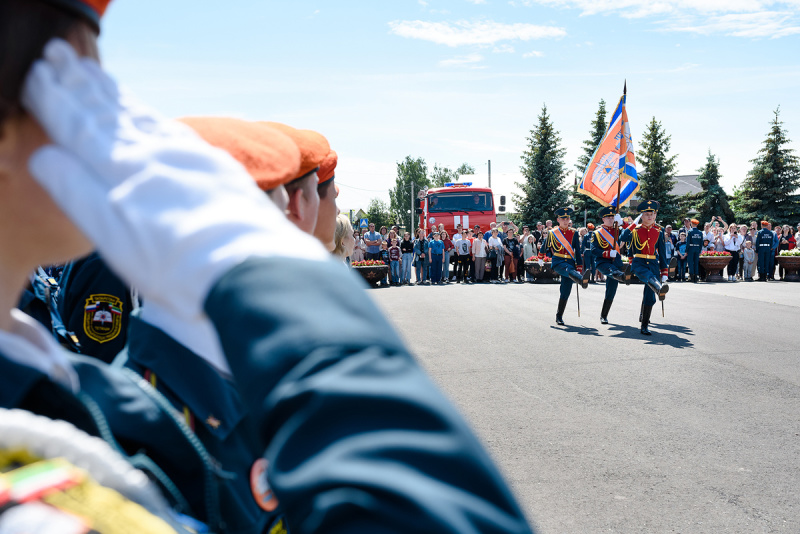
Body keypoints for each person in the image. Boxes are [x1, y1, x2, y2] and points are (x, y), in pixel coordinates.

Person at [9, 9, 536, 534]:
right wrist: (260, 265)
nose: (111, 120)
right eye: (79, 79)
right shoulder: (40, 505)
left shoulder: (56, 397)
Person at [619, 200, 670, 336]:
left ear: (655, 215)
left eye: (651, 214)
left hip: (653, 263)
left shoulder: (659, 230)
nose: (649, 217)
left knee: (650, 298)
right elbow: (622, 237)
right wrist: (633, 224)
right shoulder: (635, 229)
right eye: (646, 214)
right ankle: (659, 288)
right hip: (639, 262)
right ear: (641, 216)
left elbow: (662, 252)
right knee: (649, 277)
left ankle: (645, 324)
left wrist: (664, 271)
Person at [540, 208, 590, 325]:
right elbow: (545, 245)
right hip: (558, 262)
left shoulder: (574, 233)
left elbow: (577, 251)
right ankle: (581, 280)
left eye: (567, 218)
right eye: (563, 218)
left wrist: (579, 266)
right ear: (558, 220)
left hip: (571, 263)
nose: (566, 221)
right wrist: (540, 257)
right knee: (568, 270)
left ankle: (559, 316)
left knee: (565, 291)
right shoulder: (553, 232)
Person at [591, 207, 632, 324]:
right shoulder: (597, 233)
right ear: (603, 219)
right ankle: (624, 277)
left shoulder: (617, 230)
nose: (611, 219)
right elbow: (594, 250)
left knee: (611, 291)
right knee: (612, 271)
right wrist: (607, 253)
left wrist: (623, 224)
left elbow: (629, 236)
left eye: (612, 217)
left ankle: (604, 315)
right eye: (608, 217)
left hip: (616, 262)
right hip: (603, 262)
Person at [686, 219, 704, 283]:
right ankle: (696, 276)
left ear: (692, 224)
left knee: (690, 263)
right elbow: (701, 242)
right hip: (697, 248)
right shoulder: (700, 232)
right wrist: (699, 250)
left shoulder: (690, 232)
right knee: (696, 263)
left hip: (691, 248)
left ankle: (692, 276)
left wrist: (686, 250)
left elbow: (688, 242)